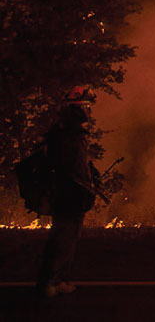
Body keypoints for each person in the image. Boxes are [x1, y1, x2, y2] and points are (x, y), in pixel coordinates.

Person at [36, 87, 100, 298]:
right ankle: (49, 282)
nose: (89, 112)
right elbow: (68, 167)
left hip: (75, 192)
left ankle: (60, 279)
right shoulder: (66, 134)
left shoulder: (72, 132)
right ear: (77, 109)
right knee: (62, 237)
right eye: (86, 107)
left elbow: (79, 165)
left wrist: (91, 178)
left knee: (70, 237)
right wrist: (83, 184)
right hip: (68, 193)